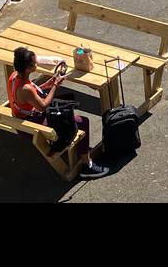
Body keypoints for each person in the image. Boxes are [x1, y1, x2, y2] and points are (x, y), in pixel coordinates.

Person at [8, 46, 109, 179]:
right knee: (82, 121)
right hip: (32, 124)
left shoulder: (14, 76)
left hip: (21, 117)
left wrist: (47, 85)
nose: (37, 63)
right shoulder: (26, 88)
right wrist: (55, 85)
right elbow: (43, 106)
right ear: (28, 68)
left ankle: (82, 153)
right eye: (34, 62)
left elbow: (31, 94)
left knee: (67, 103)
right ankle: (86, 165)